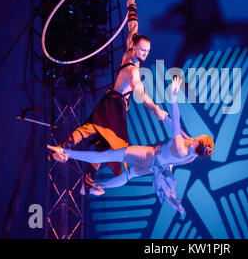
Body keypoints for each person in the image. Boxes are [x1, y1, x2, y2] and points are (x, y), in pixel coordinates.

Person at [48, 76, 214, 213]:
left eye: (198, 138)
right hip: (155, 168)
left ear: (198, 142)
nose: (194, 137)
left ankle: (66, 152)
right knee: (128, 176)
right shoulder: (191, 157)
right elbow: (173, 130)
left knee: (106, 156)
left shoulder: (181, 147)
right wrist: (163, 117)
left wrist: (173, 97)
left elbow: (176, 123)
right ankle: (92, 188)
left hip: (150, 155)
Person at [60, 0, 167, 195]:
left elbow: (133, 28)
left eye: (147, 51)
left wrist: (132, 6)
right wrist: (156, 110)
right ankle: (64, 150)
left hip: (114, 101)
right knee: (111, 143)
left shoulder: (129, 51)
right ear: (135, 48)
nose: (145, 54)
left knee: (102, 141)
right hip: (115, 104)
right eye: (142, 50)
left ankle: (83, 176)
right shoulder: (133, 70)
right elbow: (141, 95)